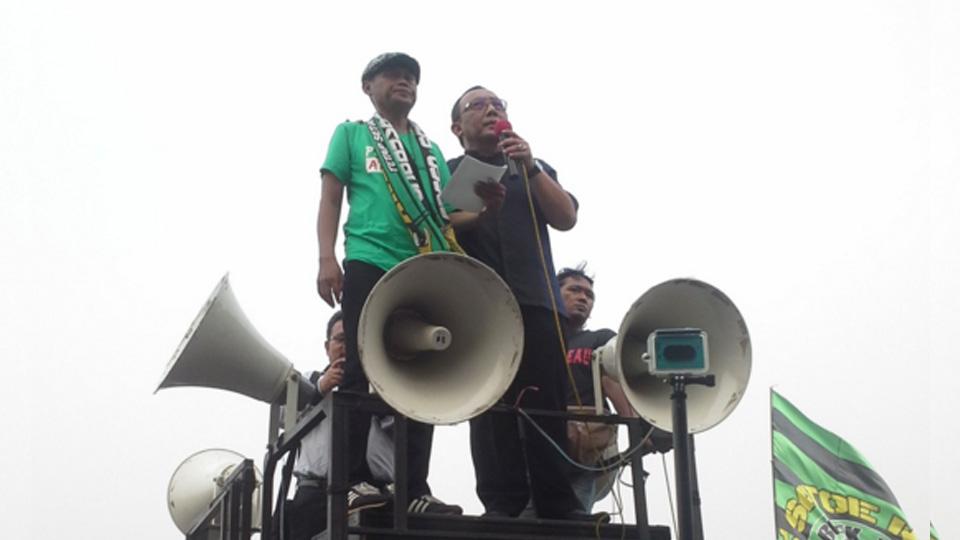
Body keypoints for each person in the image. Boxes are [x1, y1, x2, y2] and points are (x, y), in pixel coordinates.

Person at [315, 52, 461, 517]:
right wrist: (326, 258)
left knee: (424, 373)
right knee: (358, 369)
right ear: (368, 86)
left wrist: (489, 208)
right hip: (369, 259)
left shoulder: (431, 150)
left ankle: (413, 486)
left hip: (426, 266)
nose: (405, 82)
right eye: (394, 75)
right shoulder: (352, 134)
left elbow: (451, 214)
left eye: (412, 78)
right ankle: (355, 479)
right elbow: (331, 197)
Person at [447, 85, 602, 522]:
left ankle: (556, 502)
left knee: (544, 403)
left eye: (498, 103)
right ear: (458, 127)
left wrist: (530, 165)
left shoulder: (530, 166)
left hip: (538, 302)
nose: (491, 109)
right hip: (479, 304)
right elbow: (440, 226)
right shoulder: (449, 169)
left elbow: (566, 217)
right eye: (478, 105)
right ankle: (501, 501)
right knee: (489, 401)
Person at [558, 265, 674, 512]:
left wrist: (637, 428)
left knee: (574, 511)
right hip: (543, 431)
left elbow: (611, 382)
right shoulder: (541, 338)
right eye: (574, 290)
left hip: (585, 439)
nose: (583, 298)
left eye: (589, 296)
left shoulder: (599, 339)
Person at [286, 311, 397, 540]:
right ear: (327, 347)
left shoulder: (388, 384)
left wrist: (377, 395)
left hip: (375, 496)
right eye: (340, 340)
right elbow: (282, 414)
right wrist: (319, 389)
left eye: (354, 340)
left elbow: (401, 430)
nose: (347, 347)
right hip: (315, 496)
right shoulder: (308, 380)